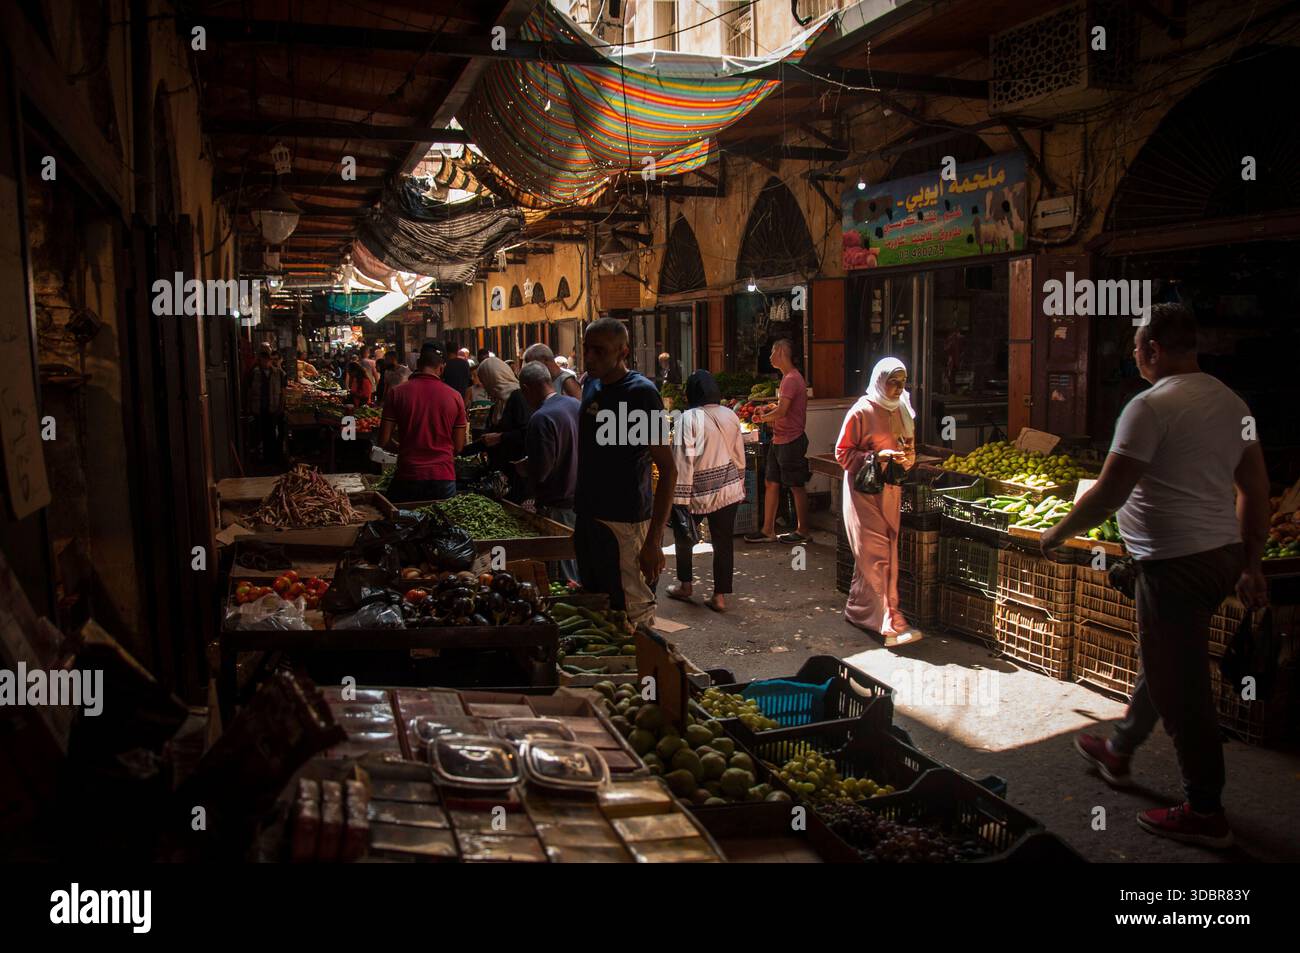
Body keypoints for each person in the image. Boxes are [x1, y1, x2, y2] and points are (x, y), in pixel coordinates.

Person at [1042, 303, 1269, 849]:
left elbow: (1109, 492)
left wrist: (1057, 533)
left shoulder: (1149, 406)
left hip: (1174, 565)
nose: (1136, 357)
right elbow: (1255, 490)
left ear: (1152, 349)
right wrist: (1252, 562)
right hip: (1219, 558)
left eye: (1137, 348)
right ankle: (1120, 749)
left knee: (1182, 690)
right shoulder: (1233, 403)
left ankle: (1206, 811)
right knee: (1172, 658)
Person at [575, 317, 677, 626]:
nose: (590, 358)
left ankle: (644, 672)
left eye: (600, 351)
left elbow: (668, 469)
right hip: (589, 520)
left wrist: (654, 542)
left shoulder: (641, 395)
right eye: (586, 350)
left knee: (633, 613)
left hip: (626, 525)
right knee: (600, 610)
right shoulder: (590, 384)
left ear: (623, 352)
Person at [835, 358, 921, 647]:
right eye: (893, 382)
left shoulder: (903, 410)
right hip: (863, 493)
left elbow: (909, 453)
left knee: (886, 550)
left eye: (902, 382)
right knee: (875, 554)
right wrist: (876, 458)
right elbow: (842, 453)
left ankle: (859, 610)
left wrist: (904, 458)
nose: (898, 388)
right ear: (880, 381)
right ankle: (885, 618)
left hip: (889, 491)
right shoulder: (861, 410)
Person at [664, 370, 746, 612]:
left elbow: (682, 462)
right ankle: (719, 596)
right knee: (723, 542)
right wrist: (740, 483)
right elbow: (739, 456)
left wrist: (679, 499)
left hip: (697, 491)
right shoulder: (730, 415)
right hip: (729, 488)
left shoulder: (687, 419)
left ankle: (685, 585)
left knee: (683, 537)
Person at [378, 345, 467, 503]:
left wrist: (405, 450)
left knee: (405, 524)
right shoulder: (455, 397)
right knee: (442, 526)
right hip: (443, 476)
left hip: (408, 473)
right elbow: (459, 446)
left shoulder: (396, 393)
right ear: (441, 368)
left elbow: (383, 440)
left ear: (417, 366)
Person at [519, 361, 580, 583]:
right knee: (577, 562)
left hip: (557, 505)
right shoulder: (575, 404)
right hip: (580, 501)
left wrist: (526, 468)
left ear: (526, 389)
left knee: (563, 575)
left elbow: (542, 470)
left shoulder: (541, 418)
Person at [746, 339, 811, 544]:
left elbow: (783, 411)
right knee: (771, 482)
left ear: (782, 352)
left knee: (796, 485)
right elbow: (783, 406)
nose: (770, 356)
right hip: (780, 439)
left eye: (773, 352)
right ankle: (768, 530)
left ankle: (803, 531)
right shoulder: (788, 378)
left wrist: (762, 418)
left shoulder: (791, 379)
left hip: (791, 439)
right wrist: (768, 408)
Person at [476, 356, 533, 500]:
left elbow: (526, 433)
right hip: (501, 474)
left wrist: (500, 437)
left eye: (484, 380)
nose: (483, 385)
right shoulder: (499, 402)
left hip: (515, 476)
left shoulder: (517, 397)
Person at [247, 344, 285, 464]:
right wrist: (249, 407)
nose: (265, 360)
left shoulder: (278, 373)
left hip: (273, 408)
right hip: (258, 409)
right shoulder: (254, 373)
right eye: (262, 357)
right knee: (260, 434)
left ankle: (273, 458)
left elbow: (283, 392)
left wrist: (281, 406)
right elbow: (249, 391)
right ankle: (262, 459)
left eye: (267, 357)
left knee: (272, 434)